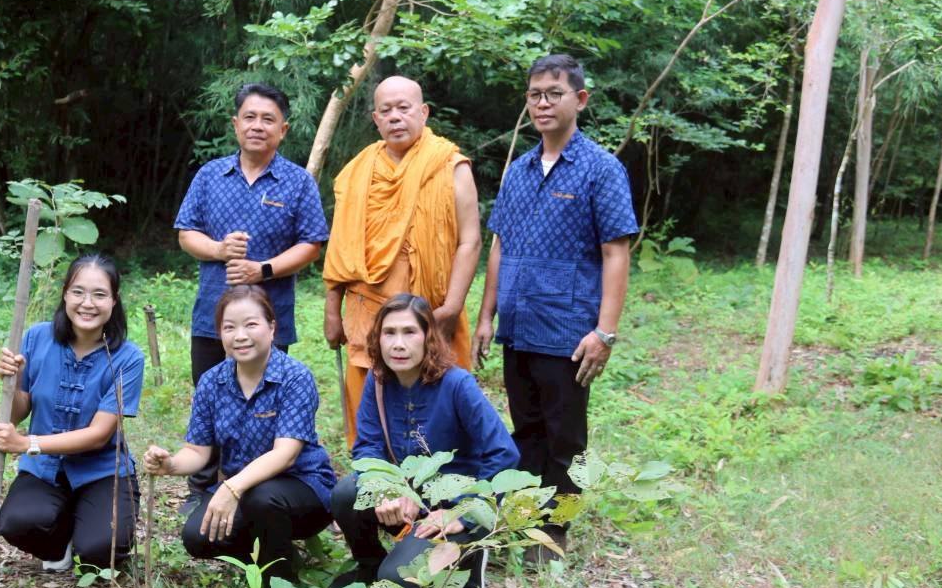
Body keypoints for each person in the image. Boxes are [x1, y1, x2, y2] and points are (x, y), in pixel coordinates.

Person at [473, 53, 638, 558]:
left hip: (569, 329)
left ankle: (557, 528)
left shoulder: (600, 169)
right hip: (518, 324)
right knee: (526, 429)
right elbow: (499, 245)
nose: (543, 103)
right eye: (535, 95)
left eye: (554, 94)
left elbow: (616, 251)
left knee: (566, 436)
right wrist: (485, 315)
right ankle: (525, 520)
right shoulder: (519, 171)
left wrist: (604, 332)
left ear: (580, 100)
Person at [174, 83, 329, 505]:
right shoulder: (210, 175)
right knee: (209, 397)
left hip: (268, 317)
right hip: (213, 315)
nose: (258, 126)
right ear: (235, 124)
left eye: (268, 119)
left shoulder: (297, 182)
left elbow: (312, 244)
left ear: (283, 129)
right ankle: (202, 488)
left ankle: (259, 487)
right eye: (250, 117)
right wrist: (219, 250)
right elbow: (186, 233)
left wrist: (263, 269)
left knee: (266, 402)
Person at [323, 75, 481, 446]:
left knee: (439, 397)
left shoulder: (451, 166)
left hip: (432, 309)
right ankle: (372, 470)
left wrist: (451, 307)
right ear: (375, 119)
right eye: (386, 110)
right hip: (368, 310)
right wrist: (332, 311)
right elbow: (341, 246)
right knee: (371, 404)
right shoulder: (358, 172)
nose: (395, 117)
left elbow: (470, 241)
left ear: (423, 112)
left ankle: (444, 472)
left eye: (404, 108)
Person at [142, 286, 335, 588]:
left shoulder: (295, 377)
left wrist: (232, 487)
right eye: (229, 327)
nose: (240, 336)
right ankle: (278, 554)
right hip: (245, 490)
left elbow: (285, 454)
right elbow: (198, 451)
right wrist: (170, 465)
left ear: (272, 328)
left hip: (302, 487)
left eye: (251, 324)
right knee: (197, 537)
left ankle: (278, 587)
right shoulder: (212, 381)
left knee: (263, 498)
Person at [330, 293, 518, 588]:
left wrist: (461, 511)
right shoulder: (378, 381)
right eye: (389, 333)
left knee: (396, 582)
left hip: (454, 502)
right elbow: (367, 448)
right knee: (346, 493)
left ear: (428, 337)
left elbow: (504, 452)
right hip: (411, 498)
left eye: (409, 332)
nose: (398, 344)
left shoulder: (457, 384)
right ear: (378, 338)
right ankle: (370, 565)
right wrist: (386, 490)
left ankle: (470, 556)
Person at [0, 253, 145, 572]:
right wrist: (12, 382)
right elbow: (17, 413)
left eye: (99, 294)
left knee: (100, 553)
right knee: (16, 523)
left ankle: (90, 528)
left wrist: (27, 443)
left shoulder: (128, 358)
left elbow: (99, 435)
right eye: (78, 292)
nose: (87, 303)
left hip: (102, 471)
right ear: (65, 294)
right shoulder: (37, 337)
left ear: (114, 300)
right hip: (45, 470)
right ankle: (61, 541)